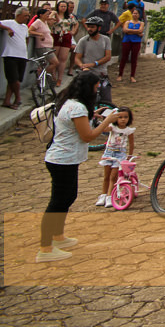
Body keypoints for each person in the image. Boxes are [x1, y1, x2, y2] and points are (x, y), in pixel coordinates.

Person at [37, 71, 123, 262]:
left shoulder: (70, 103)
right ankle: (45, 248)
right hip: (62, 160)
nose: (97, 91)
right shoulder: (77, 108)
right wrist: (107, 121)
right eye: (95, 87)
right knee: (57, 202)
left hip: (65, 159)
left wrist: (94, 116)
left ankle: (58, 237)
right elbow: (88, 136)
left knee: (68, 197)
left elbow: (80, 126)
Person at [96, 106, 134, 207]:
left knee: (113, 176)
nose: (123, 119)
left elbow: (131, 144)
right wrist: (107, 118)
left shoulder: (129, 131)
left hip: (120, 154)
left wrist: (129, 155)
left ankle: (110, 196)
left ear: (129, 118)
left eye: (126, 117)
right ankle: (103, 195)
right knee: (106, 176)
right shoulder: (112, 127)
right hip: (109, 153)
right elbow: (103, 129)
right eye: (120, 117)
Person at [73, 15, 114, 107]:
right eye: (88, 26)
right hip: (87, 74)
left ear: (99, 28)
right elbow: (77, 58)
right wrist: (82, 66)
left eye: (92, 27)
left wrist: (94, 63)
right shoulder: (83, 41)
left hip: (101, 73)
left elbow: (108, 56)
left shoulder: (106, 40)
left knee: (107, 100)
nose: (89, 29)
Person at [2, 7, 32, 109]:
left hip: (22, 55)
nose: (27, 17)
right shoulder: (10, 23)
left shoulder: (24, 27)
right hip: (11, 55)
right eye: (25, 15)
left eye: (28, 16)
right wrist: (8, 29)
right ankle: (18, 98)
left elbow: (27, 38)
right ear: (18, 15)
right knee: (14, 79)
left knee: (16, 79)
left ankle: (7, 100)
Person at [51, 1, 76, 86]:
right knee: (55, 58)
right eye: (61, 6)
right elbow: (49, 22)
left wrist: (73, 31)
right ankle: (53, 77)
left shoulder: (70, 16)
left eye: (65, 6)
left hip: (66, 36)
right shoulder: (54, 15)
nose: (63, 8)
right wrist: (53, 13)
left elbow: (76, 24)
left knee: (63, 58)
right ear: (58, 6)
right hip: (56, 36)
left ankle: (60, 78)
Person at [117, 6, 144, 83]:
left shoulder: (141, 23)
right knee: (124, 58)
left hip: (136, 42)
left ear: (139, 15)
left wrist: (130, 31)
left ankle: (132, 76)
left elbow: (140, 30)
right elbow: (125, 30)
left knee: (134, 59)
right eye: (134, 13)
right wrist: (136, 32)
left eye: (136, 13)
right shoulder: (127, 22)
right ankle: (120, 75)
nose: (135, 15)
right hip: (127, 41)